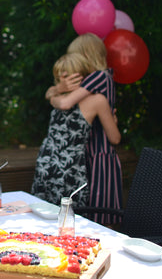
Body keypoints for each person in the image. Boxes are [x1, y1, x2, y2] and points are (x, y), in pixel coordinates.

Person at [46, 33, 123, 225]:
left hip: (99, 155)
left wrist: (56, 91)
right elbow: (51, 93)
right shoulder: (105, 78)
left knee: (100, 215)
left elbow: (64, 102)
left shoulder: (99, 77)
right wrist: (56, 90)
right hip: (91, 152)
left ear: (85, 55)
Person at [31, 52, 121, 208]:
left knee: (42, 213)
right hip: (69, 167)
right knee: (69, 220)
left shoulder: (59, 98)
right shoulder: (97, 100)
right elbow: (115, 138)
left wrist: (54, 93)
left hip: (46, 162)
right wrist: (113, 120)